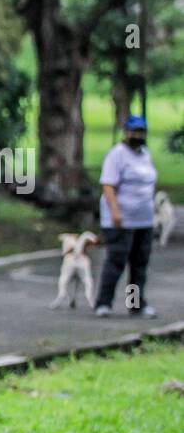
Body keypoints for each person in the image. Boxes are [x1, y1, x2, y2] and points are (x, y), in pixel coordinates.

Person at [94, 115, 158, 319]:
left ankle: (135, 304)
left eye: (141, 132)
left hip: (143, 220)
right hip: (121, 220)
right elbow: (108, 185)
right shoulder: (117, 155)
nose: (138, 135)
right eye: (134, 131)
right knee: (116, 262)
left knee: (139, 265)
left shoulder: (145, 154)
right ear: (126, 132)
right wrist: (115, 212)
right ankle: (103, 303)